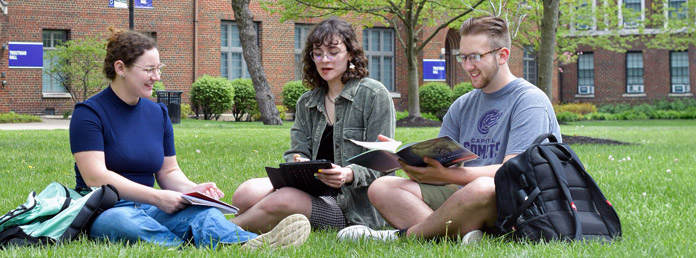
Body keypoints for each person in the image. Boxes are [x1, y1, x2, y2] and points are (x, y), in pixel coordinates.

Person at [69, 28, 310, 249]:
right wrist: (158, 197)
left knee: (203, 213)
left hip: (150, 207)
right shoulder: (89, 113)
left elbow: (168, 172)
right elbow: (96, 176)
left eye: (159, 68)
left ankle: (247, 244)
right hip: (106, 209)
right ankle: (181, 246)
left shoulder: (157, 113)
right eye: (149, 69)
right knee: (122, 222)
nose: (156, 76)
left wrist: (194, 190)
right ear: (121, 68)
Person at [337, 16, 562, 242]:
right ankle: (461, 236)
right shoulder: (462, 105)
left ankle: (402, 236)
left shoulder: (529, 100)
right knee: (382, 188)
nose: (467, 66)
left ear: (502, 55)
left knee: (482, 187)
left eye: (475, 57)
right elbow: (446, 166)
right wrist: (414, 165)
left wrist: (450, 175)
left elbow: (514, 174)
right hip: (462, 194)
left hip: (513, 200)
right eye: (463, 57)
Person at [230, 17, 396, 233]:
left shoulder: (374, 95)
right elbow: (296, 151)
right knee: (244, 194)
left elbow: (383, 162)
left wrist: (347, 174)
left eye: (333, 52)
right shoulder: (307, 102)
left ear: (351, 55)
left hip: (351, 206)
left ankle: (216, 231)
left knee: (284, 199)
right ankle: (247, 228)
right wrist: (299, 161)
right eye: (318, 54)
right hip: (313, 190)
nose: (325, 60)